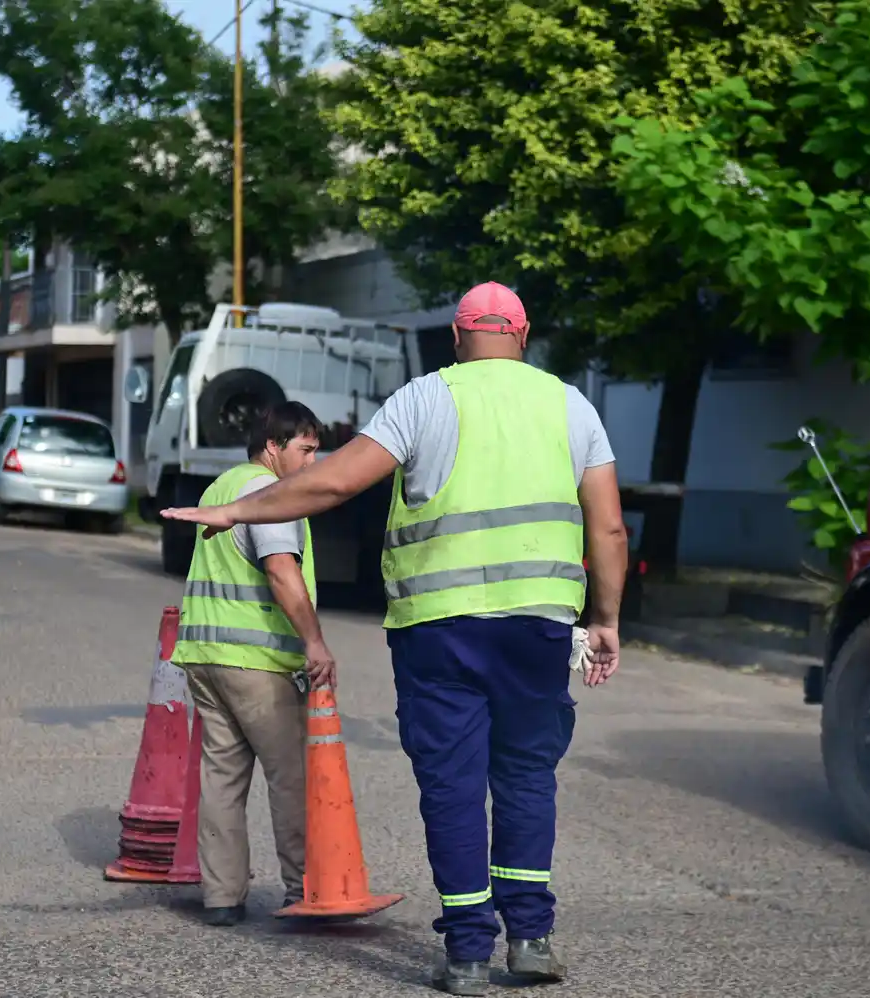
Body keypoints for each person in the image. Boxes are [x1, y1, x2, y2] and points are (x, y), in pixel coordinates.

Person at [162, 282, 629, 993]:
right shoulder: (573, 407)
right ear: (524, 335)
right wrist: (606, 619)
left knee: (452, 785)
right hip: (538, 626)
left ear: (455, 335)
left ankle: (469, 951)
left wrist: (239, 511)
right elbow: (610, 528)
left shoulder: (424, 398)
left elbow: (333, 485)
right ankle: (530, 937)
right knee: (527, 778)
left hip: (439, 631)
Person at [169, 401, 336, 928]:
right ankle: (305, 890)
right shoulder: (269, 496)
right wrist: (315, 641)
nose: (314, 461)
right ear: (273, 448)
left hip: (204, 656)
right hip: (256, 661)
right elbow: (281, 571)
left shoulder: (219, 488)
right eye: (305, 449)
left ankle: (221, 896)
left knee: (222, 778)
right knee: (291, 777)